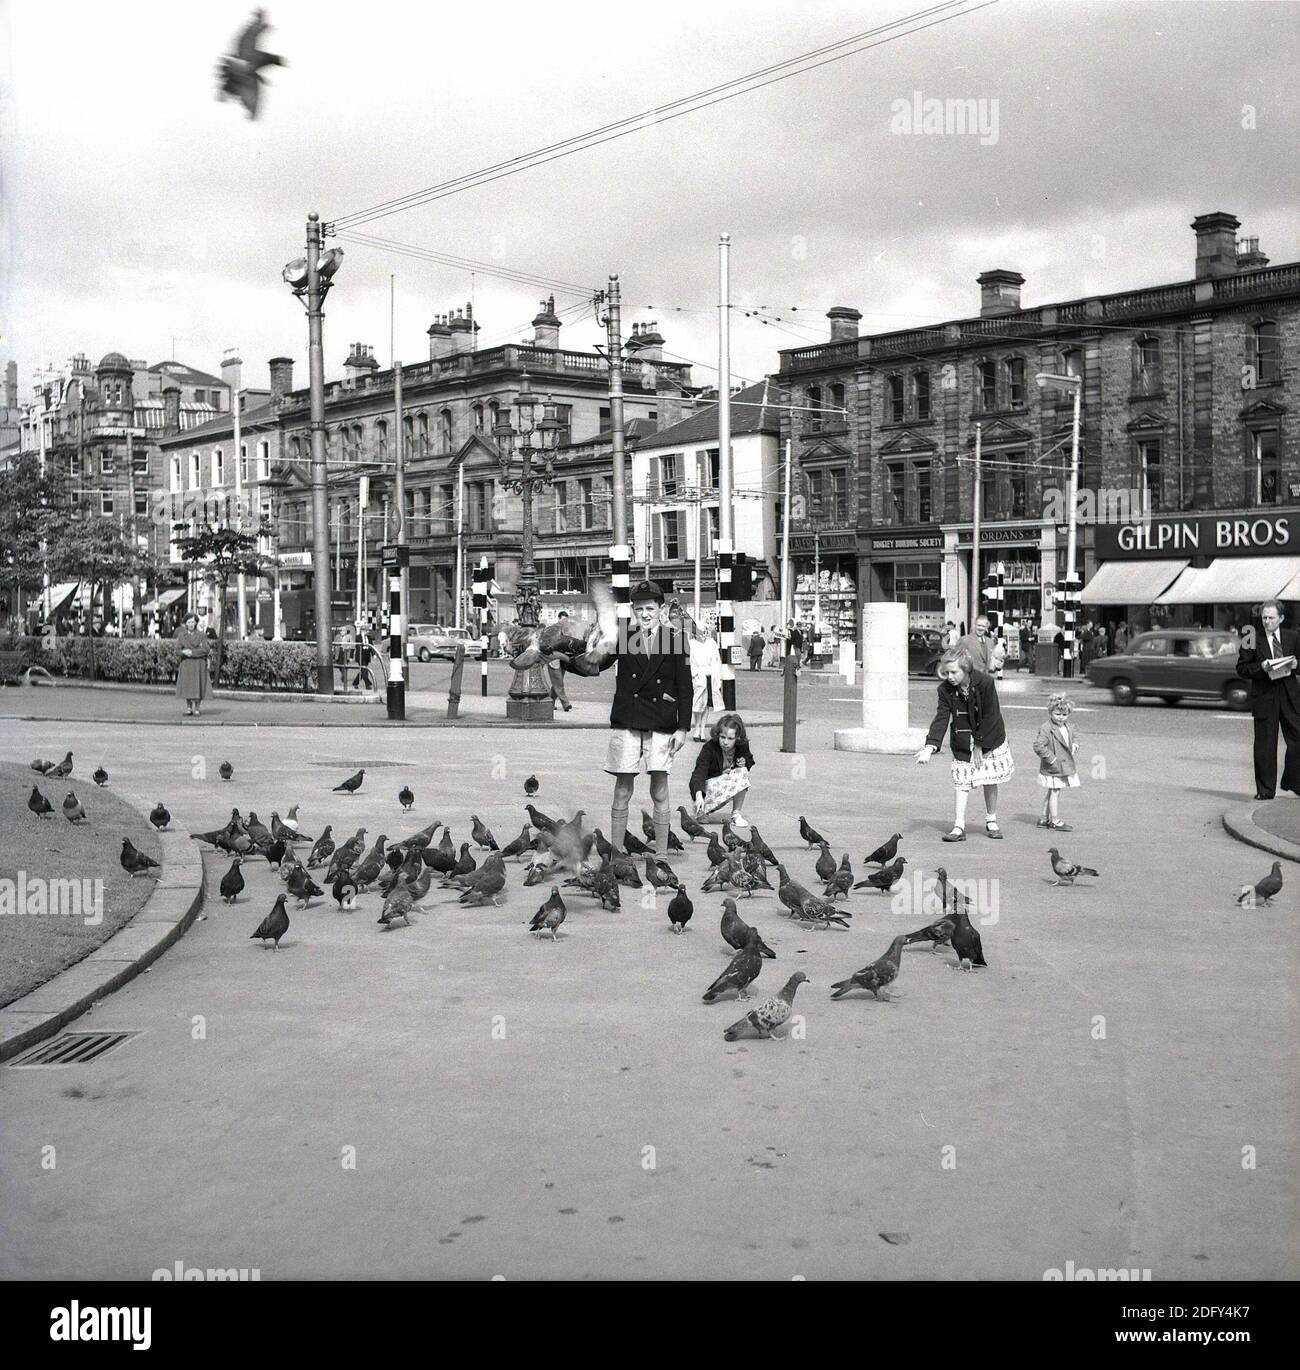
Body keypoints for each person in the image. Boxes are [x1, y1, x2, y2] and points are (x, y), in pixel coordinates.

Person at [570, 580, 693, 856]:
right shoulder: (625, 637)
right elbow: (596, 663)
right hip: (627, 720)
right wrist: (565, 658)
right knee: (622, 789)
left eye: (650, 608)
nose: (645, 614)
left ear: (661, 609)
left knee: (659, 790)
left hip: (662, 722)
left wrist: (683, 728)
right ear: (634, 611)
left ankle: (661, 856)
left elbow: (686, 687)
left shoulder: (676, 640)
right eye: (640, 609)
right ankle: (615, 854)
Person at [914, 645, 1014, 842]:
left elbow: (990, 715)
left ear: (966, 669)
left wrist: (979, 744)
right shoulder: (945, 690)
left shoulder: (985, 683)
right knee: (961, 783)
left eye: (954, 672)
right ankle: (959, 826)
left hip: (990, 736)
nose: (949, 677)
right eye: (946, 672)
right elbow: (942, 718)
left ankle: (991, 820)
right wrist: (930, 746)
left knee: (990, 778)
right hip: (962, 739)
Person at [1236, 600, 1300, 800]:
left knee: (1298, 738)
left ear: (1281, 618)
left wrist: (1297, 664)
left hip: (1290, 696)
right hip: (1264, 696)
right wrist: (1260, 667)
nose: (1267, 621)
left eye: (1271, 618)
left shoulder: (1293, 636)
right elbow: (1241, 668)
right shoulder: (1251, 636)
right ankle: (1265, 790)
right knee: (1265, 746)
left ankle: (1294, 782)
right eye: (1264, 617)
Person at [688, 712, 756, 830]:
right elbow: (699, 773)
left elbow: (750, 759)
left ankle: (736, 814)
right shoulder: (709, 747)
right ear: (717, 734)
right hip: (709, 788)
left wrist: (745, 762)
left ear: (737, 738)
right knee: (738, 774)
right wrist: (698, 795)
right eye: (722, 737)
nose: (725, 742)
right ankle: (702, 811)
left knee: (742, 771)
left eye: (730, 738)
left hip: (727, 784)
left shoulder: (742, 745)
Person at [1033, 692, 1081, 830]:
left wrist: (1075, 745)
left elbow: (1075, 737)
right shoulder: (1046, 728)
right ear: (1051, 712)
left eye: (1064, 715)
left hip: (1061, 765)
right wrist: (1052, 759)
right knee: (1055, 791)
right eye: (1058, 714)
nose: (1061, 718)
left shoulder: (1069, 726)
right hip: (1053, 766)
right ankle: (1054, 820)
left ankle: (1043, 818)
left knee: (1052, 791)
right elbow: (1038, 745)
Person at [687, 619, 723, 741]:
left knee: (707, 704)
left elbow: (717, 660)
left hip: (710, 676)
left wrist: (718, 676)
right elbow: (688, 661)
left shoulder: (712, 643)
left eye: (705, 631)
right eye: (701, 631)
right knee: (697, 703)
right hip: (698, 677)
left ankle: (702, 730)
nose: (703, 633)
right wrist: (694, 673)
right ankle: (696, 728)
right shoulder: (690, 644)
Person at [175, 610, 211, 717]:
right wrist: (183, 652)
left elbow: (206, 649)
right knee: (187, 685)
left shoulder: (202, 635)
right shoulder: (181, 636)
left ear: (196, 623)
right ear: (185, 623)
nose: (191, 624)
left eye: (193, 622)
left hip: (198, 664)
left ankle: (197, 708)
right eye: (189, 622)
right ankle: (188, 708)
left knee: (197, 685)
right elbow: (177, 650)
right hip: (186, 664)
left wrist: (193, 652)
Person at [546, 610, 574, 712]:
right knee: (559, 682)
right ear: (558, 619)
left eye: (566, 620)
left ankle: (549, 702)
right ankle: (566, 704)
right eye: (563, 620)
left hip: (563, 658)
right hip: (553, 658)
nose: (565, 622)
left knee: (557, 682)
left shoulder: (568, 630)